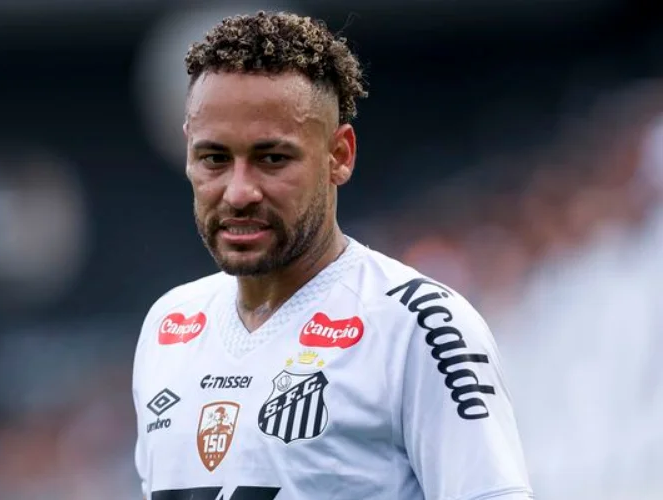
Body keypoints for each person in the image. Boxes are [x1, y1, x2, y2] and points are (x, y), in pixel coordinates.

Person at [132, 11, 533, 500]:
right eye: (214, 158)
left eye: (272, 158)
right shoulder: (169, 325)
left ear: (339, 155)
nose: (238, 192)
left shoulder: (420, 328)